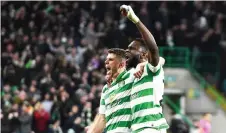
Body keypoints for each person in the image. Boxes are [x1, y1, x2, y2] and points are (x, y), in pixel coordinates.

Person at [120, 5, 169, 133]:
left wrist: (135, 20)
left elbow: (153, 49)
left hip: (151, 127)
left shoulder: (150, 70)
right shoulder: (133, 76)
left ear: (143, 55)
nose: (126, 51)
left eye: (131, 49)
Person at [87, 48, 136, 133]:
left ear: (121, 64)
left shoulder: (132, 76)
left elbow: (157, 62)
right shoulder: (106, 89)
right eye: (106, 59)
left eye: (110, 60)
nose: (106, 62)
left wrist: (141, 66)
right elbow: (102, 120)